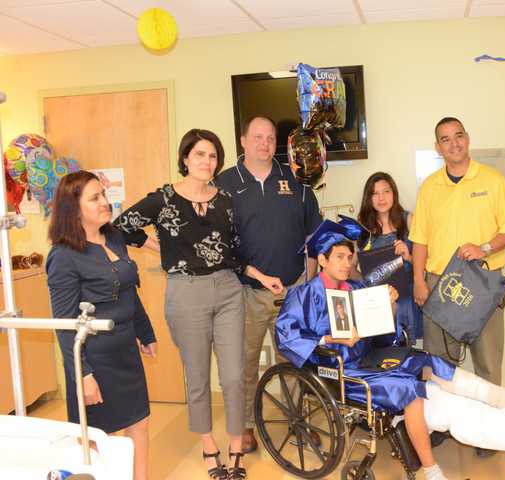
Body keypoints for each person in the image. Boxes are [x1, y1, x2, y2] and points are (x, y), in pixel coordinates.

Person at [275, 219, 505, 480]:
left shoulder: (357, 287)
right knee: (409, 388)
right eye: (339, 257)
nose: (347, 263)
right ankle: (430, 470)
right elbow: (286, 336)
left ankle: (504, 398)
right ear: (322, 260)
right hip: (338, 371)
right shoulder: (304, 295)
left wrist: (390, 305)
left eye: (349, 257)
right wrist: (333, 340)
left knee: (428, 361)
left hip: (368, 357)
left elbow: (381, 333)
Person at [114, 129, 248, 480]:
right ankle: (208, 445)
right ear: (185, 158)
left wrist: (260, 276)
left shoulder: (227, 199)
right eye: (200, 154)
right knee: (198, 375)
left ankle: (236, 444)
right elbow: (121, 227)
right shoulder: (163, 198)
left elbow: (234, 248)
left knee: (234, 375)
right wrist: (155, 247)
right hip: (186, 292)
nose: (207, 161)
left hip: (229, 289)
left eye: (213, 156)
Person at [409, 116, 505, 456]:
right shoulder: (430, 187)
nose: (453, 143)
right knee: (441, 365)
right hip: (438, 284)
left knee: (487, 361)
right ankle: (444, 426)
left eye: (458, 136)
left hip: (481, 284)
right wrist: (418, 280)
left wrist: (484, 247)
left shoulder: (493, 179)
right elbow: (420, 240)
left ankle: (488, 434)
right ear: (438, 147)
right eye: (445, 139)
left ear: (467, 139)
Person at [214, 115, 322, 453]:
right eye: (257, 137)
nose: (264, 143)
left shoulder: (296, 178)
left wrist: (309, 279)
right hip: (243, 294)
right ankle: (244, 426)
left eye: (270, 138)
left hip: (292, 293)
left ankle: (297, 420)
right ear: (243, 141)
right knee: (242, 365)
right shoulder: (224, 184)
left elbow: (313, 234)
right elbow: (218, 244)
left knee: (294, 362)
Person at [46, 171, 157, 480]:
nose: (104, 203)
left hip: (125, 351)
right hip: (94, 358)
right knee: (96, 437)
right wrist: (83, 375)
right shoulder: (63, 256)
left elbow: (128, 293)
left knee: (139, 423)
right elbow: (65, 325)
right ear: (73, 208)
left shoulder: (115, 237)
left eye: (103, 195)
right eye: (94, 198)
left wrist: (145, 333)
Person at [357, 171, 422, 343]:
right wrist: (367, 282)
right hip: (379, 304)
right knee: (383, 357)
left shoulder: (409, 220)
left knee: (411, 355)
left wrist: (408, 256)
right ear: (369, 198)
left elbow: (427, 263)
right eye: (375, 193)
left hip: (408, 299)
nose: (381, 198)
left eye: (386, 191)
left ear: (394, 193)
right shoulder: (363, 228)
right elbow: (352, 270)